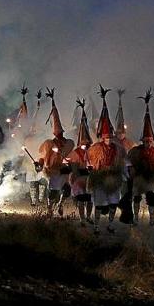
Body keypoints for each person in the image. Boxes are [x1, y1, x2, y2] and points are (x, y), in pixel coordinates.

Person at [87, 85, 126, 234]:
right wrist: (91, 168)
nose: (108, 139)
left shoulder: (118, 149)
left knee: (113, 204)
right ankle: (96, 226)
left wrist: (123, 174)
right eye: (106, 137)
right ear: (102, 137)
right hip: (100, 178)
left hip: (114, 178)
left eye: (110, 136)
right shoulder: (95, 148)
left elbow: (123, 162)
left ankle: (110, 224)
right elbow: (88, 160)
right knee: (99, 204)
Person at [127, 89, 154, 226]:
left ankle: (151, 219)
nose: (148, 143)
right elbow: (128, 162)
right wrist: (131, 171)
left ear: (152, 141)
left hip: (150, 180)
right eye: (146, 141)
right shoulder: (135, 151)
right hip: (138, 179)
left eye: (150, 141)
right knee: (136, 198)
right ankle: (136, 219)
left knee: (151, 199)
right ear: (142, 140)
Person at [37, 89, 74, 216]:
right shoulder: (48, 143)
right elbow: (42, 156)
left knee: (67, 190)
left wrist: (65, 158)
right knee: (52, 192)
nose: (59, 135)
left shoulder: (69, 143)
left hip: (64, 171)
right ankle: (49, 209)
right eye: (57, 134)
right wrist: (40, 164)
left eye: (60, 133)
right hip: (53, 170)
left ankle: (61, 205)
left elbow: (70, 155)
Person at [68, 98, 94, 226]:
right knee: (81, 200)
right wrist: (77, 174)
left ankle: (88, 217)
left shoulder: (93, 151)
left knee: (90, 200)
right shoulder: (75, 153)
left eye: (87, 142)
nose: (85, 144)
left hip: (90, 177)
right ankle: (82, 218)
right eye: (83, 142)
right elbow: (73, 166)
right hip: (79, 178)